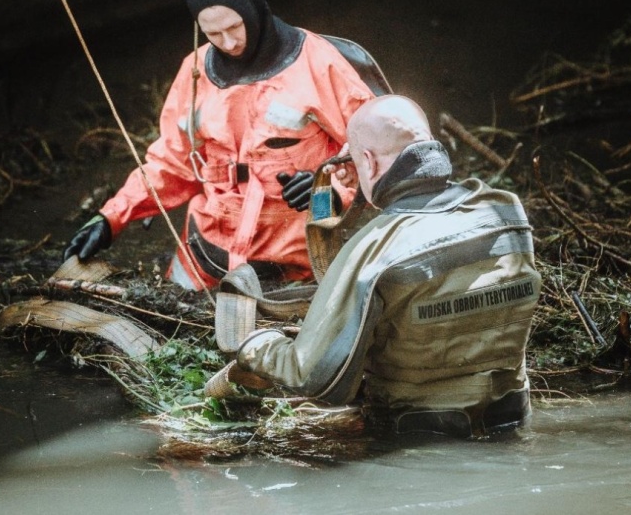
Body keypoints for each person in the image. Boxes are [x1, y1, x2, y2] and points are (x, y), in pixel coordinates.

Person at [223, 94, 541, 437]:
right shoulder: (506, 211)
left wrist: (255, 346)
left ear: (370, 164)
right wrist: (364, 171)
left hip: (418, 439)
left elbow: (313, 378)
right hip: (511, 422)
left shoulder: (373, 249)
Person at [63, 0, 389, 290]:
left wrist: (325, 188)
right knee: (172, 321)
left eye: (235, 27)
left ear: (252, 9)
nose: (229, 43)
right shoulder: (195, 71)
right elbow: (172, 164)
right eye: (213, 33)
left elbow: (374, 151)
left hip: (297, 261)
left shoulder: (316, 62)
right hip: (206, 252)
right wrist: (112, 217)